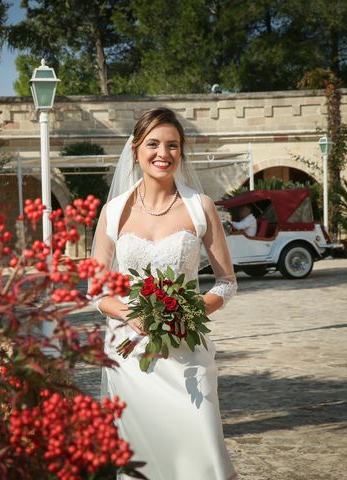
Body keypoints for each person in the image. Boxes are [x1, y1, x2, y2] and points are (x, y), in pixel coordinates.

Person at [90, 107, 238, 480]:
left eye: (173, 145)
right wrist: (132, 315)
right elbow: (98, 291)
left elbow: (226, 283)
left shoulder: (199, 207)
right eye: (153, 144)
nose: (163, 153)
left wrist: (185, 314)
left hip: (188, 355)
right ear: (136, 149)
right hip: (132, 357)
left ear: (181, 152)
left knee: (201, 449)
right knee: (143, 460)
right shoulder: (114, 212)